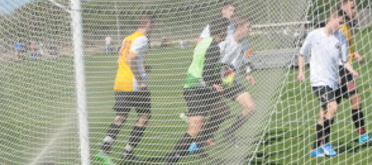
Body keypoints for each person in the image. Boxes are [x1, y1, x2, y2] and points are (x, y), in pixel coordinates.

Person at [165, 17, 231, 163]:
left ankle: (200, 141)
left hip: (199, 86)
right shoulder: (213, 46)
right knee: (195, 127)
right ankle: (172, 158)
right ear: (222, 30)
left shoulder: (204, 42)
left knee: (223, 111)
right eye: (226, 29)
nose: (227, 32)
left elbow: (199, 64)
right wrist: (215, 84)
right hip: (196, 89)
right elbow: (206, 72)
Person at [95, 12, 154, 164]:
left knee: (120, 117)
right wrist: (140, 80)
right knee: (144, 116)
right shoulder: (142, 38)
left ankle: (104, 151)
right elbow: (130, 59)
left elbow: (120, 60)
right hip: (133, 84)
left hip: (120, 82)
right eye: (152, 23)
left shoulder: (128, 38)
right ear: (148, 23)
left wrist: (144, 67)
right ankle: (128, 152)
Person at [297, 10, 358, 158]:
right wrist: (301, 71)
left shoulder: (341, 38)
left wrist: (352, 70)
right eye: (340, 22)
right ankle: (325, 143)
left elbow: (344, 61)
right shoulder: (314, 35)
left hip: (333, 81)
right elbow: (302, 53)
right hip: (319, 80)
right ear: (332, 18)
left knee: (324, 114)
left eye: (343, 23)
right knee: (333, 107)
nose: (340, 25)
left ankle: (315, 149)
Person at [335, 0, 372, 144]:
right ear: (344, 9)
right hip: (340, 70)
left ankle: (362, 135)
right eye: (352, 7)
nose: (355, 10)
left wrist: (355, 54)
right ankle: (321, 142)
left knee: (353, 99)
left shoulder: (346, 27)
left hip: (345, 69)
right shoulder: (338, 27)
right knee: (332, 107)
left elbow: (347, 48)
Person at [218, 17, 257, 144]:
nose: (250, 30)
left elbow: (244, 60)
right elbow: (211, 61)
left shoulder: (245, 43)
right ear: (239, 27)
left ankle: (229, 132)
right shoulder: (225, 42)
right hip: (217, 82)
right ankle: (197, 140)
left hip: (232, 82)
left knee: (251, 107)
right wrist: (215, 80)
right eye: (248, 27)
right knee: (214, 113)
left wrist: (248, 74)